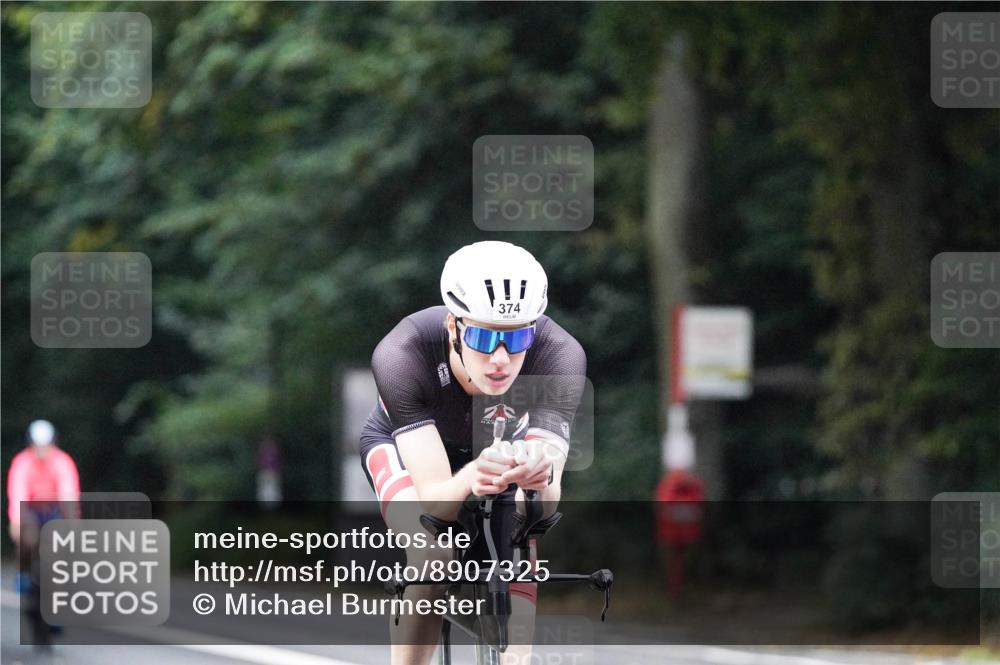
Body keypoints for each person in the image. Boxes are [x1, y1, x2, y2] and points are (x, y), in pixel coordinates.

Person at [359, 241, 586, 665]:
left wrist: (540, 475)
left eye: (517, 338)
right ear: (453, 327)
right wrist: (469, 476)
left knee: (521, 529)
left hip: (498, 450)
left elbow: (547, 501)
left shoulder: (560, 354)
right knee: (432, 553)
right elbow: (435, 502)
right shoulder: (402, 353)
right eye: (483, 337)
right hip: (407, 450)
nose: (501, 359)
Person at [7, 419, 80, 554]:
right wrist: (16, 519)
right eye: (37, 446)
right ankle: (25, 565)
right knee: (25, 534)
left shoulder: (63, 461)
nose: (41, 450)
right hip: (30, 508)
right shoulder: (21, 462)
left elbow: (67, 492)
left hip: (54, 509)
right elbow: (18, 493)